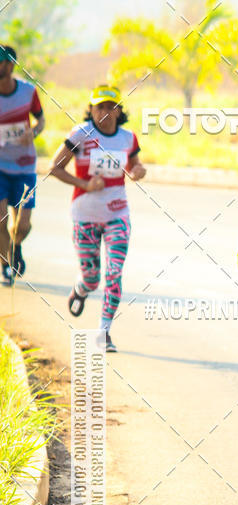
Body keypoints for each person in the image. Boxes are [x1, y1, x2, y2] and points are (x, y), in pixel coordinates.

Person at [50, 85, 146, 351]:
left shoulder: (128, 138)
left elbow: (134, 164)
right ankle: (82, 288)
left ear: (119, 111)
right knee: (93, 277)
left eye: (110, 107)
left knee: (114, 273)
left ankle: (103, 332)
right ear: (91, 110)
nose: (105, 112)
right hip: (85, 215)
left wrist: (138, 170)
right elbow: (54, 168)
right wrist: (84, 183)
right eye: (99, 106)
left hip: (118, 214)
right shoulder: (80, 134)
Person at [0, 45, 45, 285]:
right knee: (1, 221)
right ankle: (6, 266)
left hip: (24, 166)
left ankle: (15, 247)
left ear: (11, 65)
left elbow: (41, 119)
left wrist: (34, 132)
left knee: (23, 225)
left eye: (2, 62)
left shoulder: (27, 92)